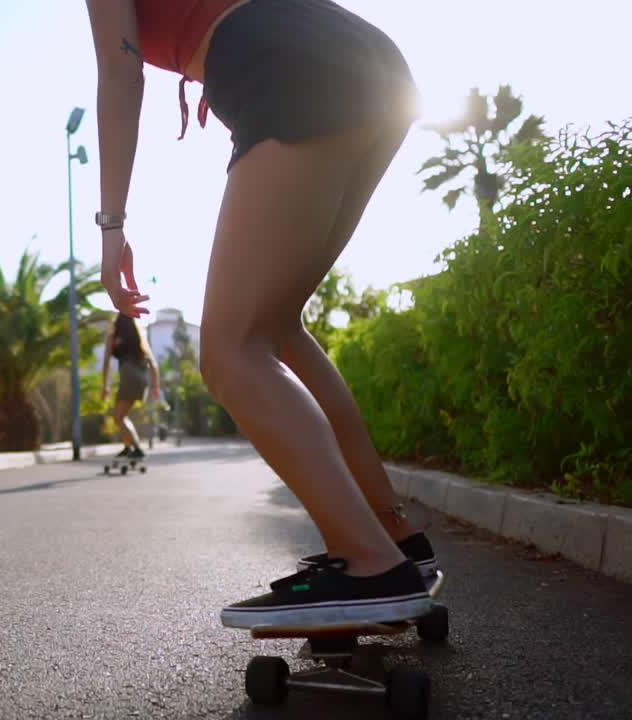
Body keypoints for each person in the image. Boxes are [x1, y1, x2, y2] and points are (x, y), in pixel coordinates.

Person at [84, 0, 438, 629]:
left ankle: (369, 563)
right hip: (365, 59)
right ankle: (394, 536)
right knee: (274, 328)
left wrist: (112, 227)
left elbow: (121, 73)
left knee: (229, 352)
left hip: (283, 63)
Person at [101, 312, 160, 461]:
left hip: (128, 377)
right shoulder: (139, 337)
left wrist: (105, 386)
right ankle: (128, 448)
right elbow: (153, 364)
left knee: (119, 417)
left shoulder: (112, 337)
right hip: (142, 379)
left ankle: (137, 448)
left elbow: (106, 362)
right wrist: (155, 387)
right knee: (122, 416)